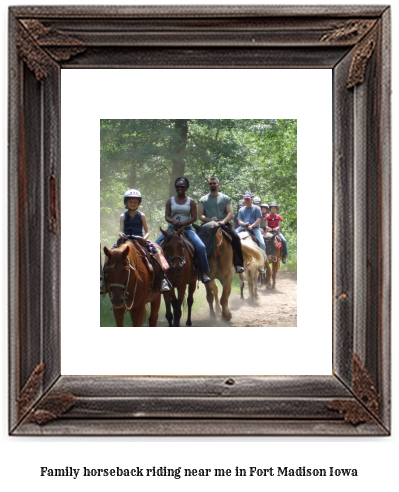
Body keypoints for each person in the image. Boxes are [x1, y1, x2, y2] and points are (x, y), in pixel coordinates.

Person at [102, 188, 170, 293]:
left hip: (139, 239)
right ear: (126, 203)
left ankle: (162, 279)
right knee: (109, 254)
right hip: (126, 239)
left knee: (155, 252)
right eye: (130, 202)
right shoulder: (122, 216)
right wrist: (121, 233)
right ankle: (103, 281)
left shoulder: (141, 215)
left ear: (139, 203)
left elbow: (147, 231)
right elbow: (120, 230)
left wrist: (144, 238)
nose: (133, 204)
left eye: (135, 202)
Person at [155, 177, 211, 284]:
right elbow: (166, 216)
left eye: (182, 186)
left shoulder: (191, 202)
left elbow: (194, 218)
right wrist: (172, 220)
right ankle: (157, 274)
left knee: (201, 247)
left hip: (187, 229)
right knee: (156, 246)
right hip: (171, 229)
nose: (180, 188)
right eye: (178, 186)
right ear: (175, 187)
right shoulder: (170, 201)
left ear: (186, 188)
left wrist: (183, 224)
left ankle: (203, 272)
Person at [197, 176, 244, 274]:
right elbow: (200, 215)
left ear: (218, 184)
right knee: (196, 242)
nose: (212, 185)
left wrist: (223, 221)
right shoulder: (203, 199)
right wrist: (210, 220)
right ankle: (197, 266)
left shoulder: (225, 198)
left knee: (236, 237)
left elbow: (230, 213)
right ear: (208, 185)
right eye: (210, 183)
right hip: (207, 226)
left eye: (214, 183)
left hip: (223, 224)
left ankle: (238, 264)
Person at [236, 193, 267, 262]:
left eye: (248, 199)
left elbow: (259, 220)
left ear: (251, 200)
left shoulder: (257, 208)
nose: (247, 201)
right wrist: (244, 224)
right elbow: (239, 221)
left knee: (262, 243)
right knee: (232, 238)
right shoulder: (241, 210)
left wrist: (252, 226)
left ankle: (263, 261)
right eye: (245, 199)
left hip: (254, 228)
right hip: (242, 227)